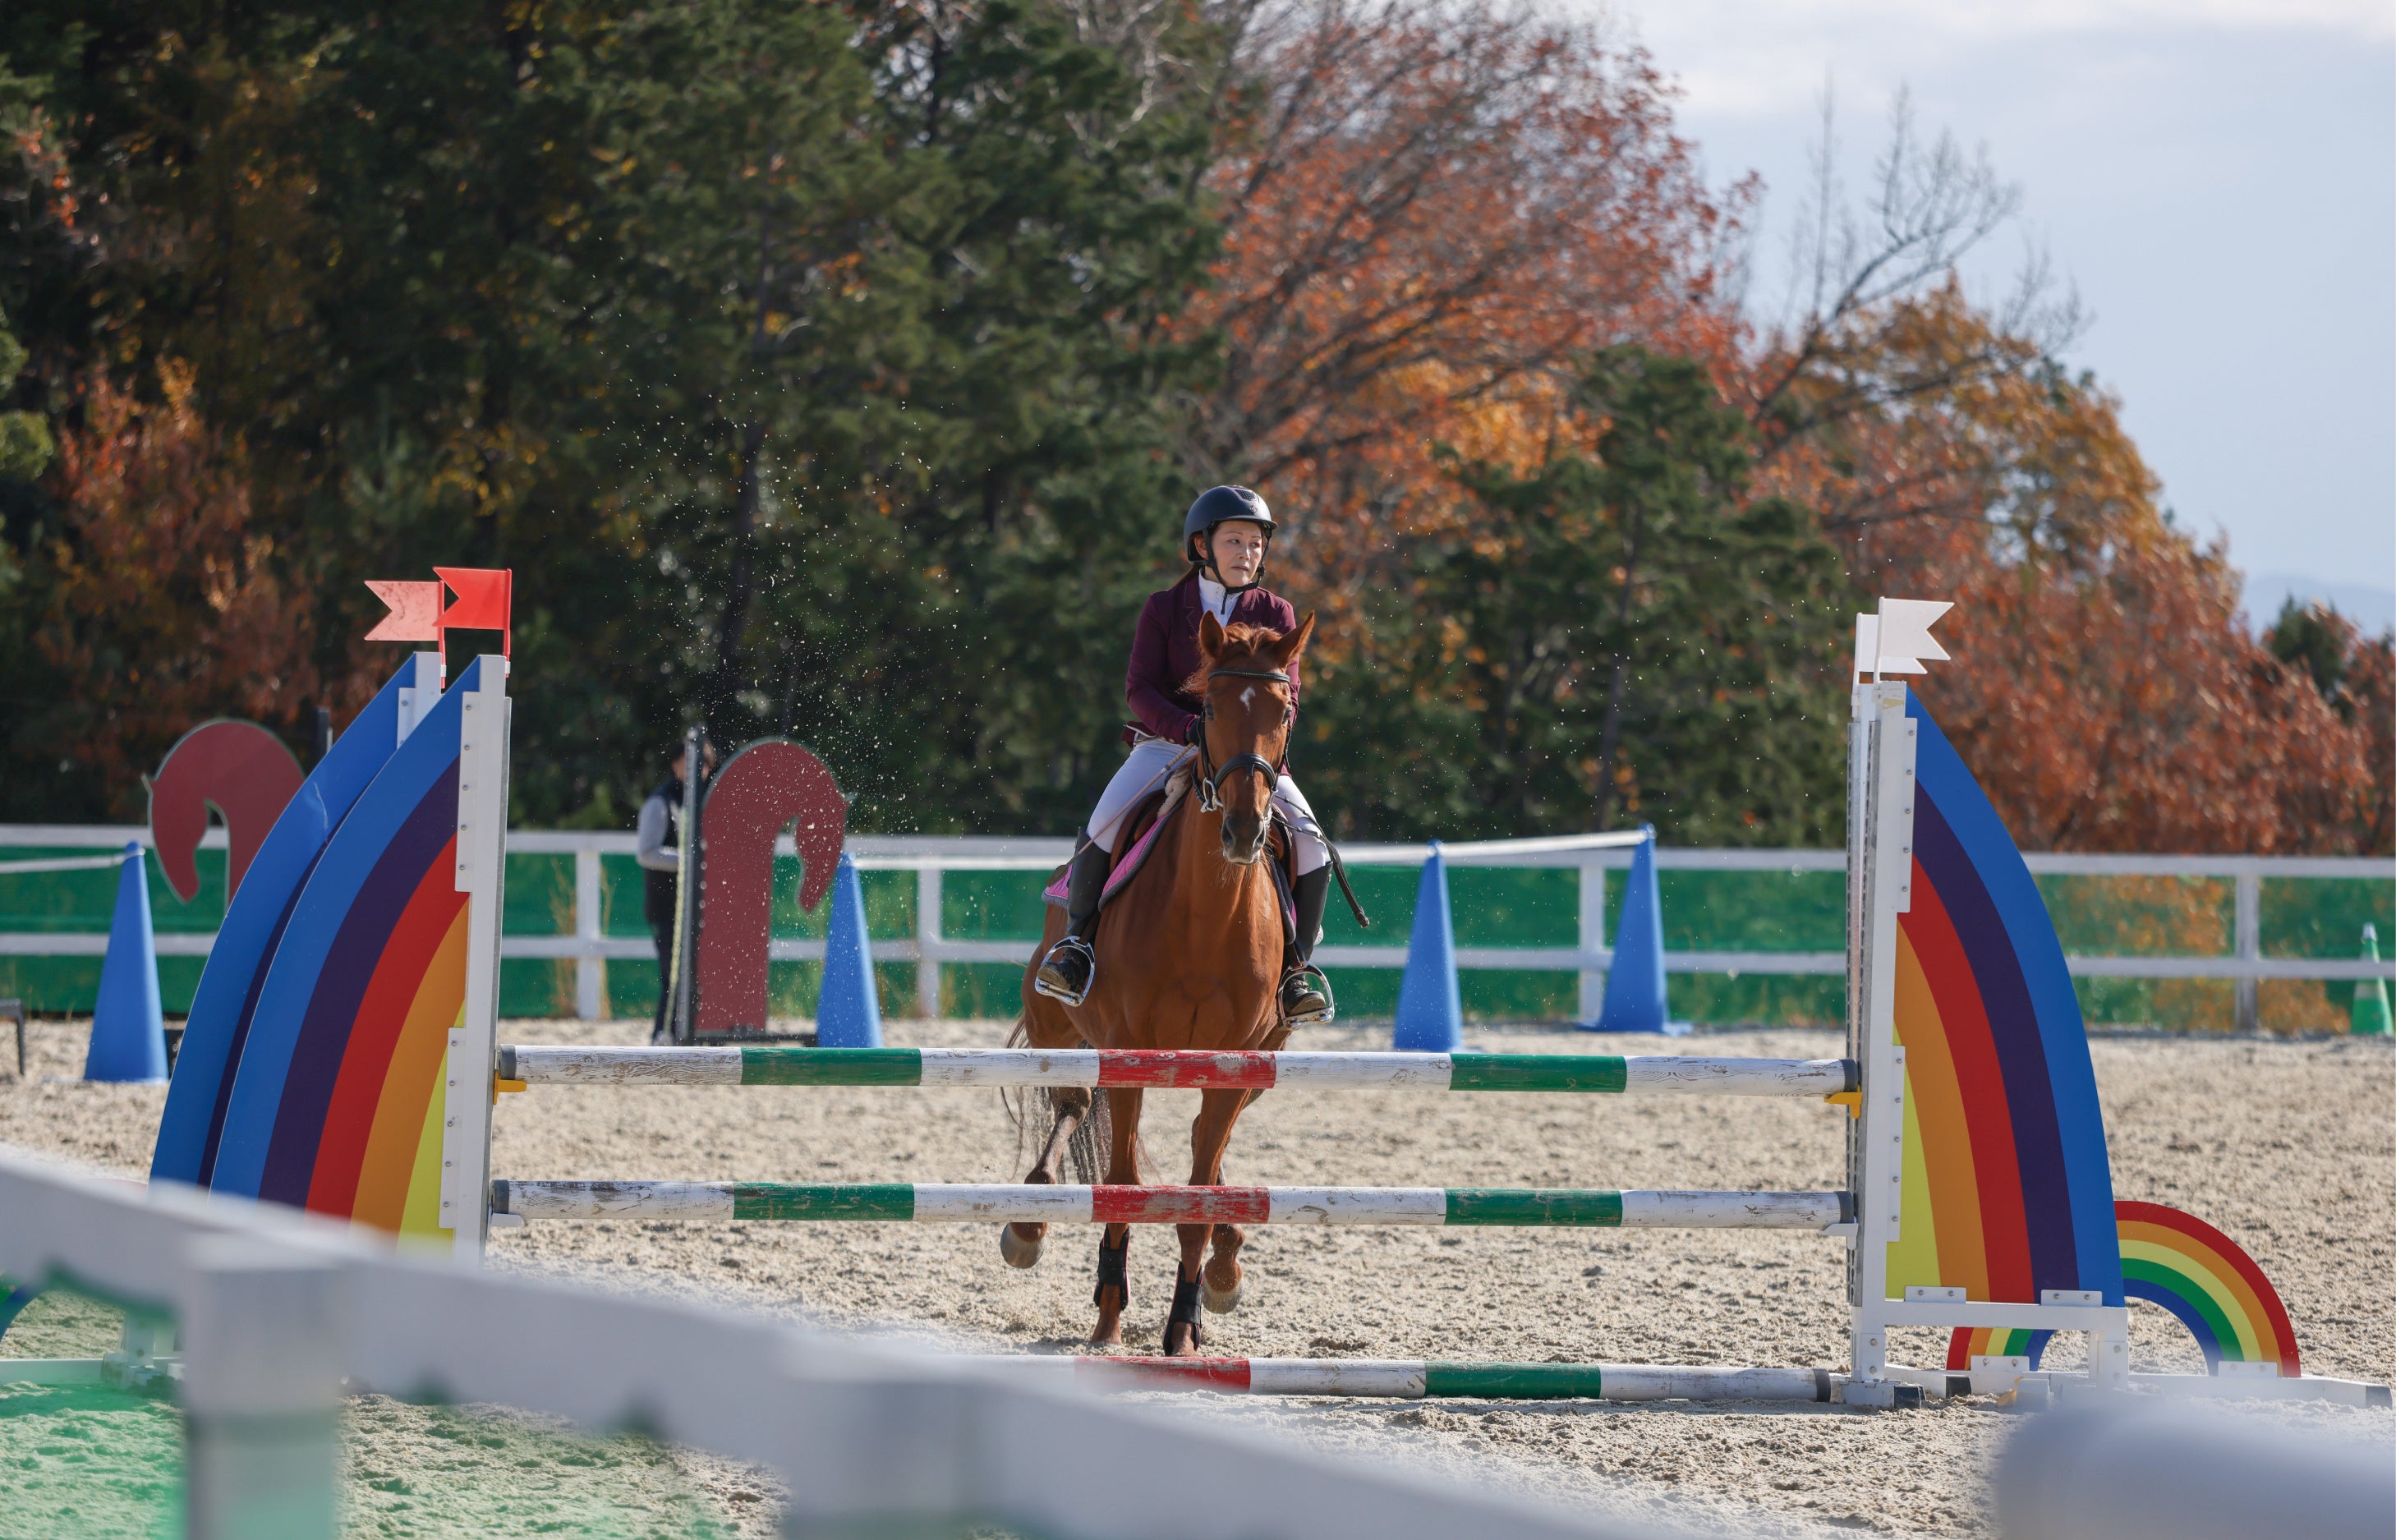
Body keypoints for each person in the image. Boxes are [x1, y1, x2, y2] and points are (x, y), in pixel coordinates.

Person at [1033, 485, 1336, 1024]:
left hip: (1248, 755)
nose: (1247, 552)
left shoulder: (1278, 611)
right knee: (1105, 822)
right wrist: (1188, 728)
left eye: (1255, 543)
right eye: (1234, 540)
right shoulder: (1164, 607)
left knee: (1313, 845)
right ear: (1202, 545)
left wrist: (1250, 741)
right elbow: (1139, 689)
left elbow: (1289, 696)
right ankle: (1076, 947)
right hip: (1169, 744)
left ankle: (1296, 972)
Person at [636, 738, 715, 1042]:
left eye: (704, 764)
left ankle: (688, 1036)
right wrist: (692, 862)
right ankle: (662, 1034)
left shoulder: (704, 803)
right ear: (675, 764)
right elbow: (647, 853)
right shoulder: (660, 802)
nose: (698, 769)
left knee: (694, 977)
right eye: (691, 762)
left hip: (696, 909)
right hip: (665, 907)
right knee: (673, 977)